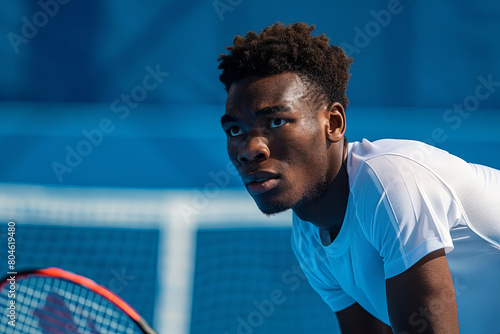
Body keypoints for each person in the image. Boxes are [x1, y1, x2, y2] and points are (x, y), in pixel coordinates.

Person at [217, 22, 500, 333]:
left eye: (275, 122)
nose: (249, 149)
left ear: (334, 123)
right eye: (235, 130)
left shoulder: (390, 182)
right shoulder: (309, 236)